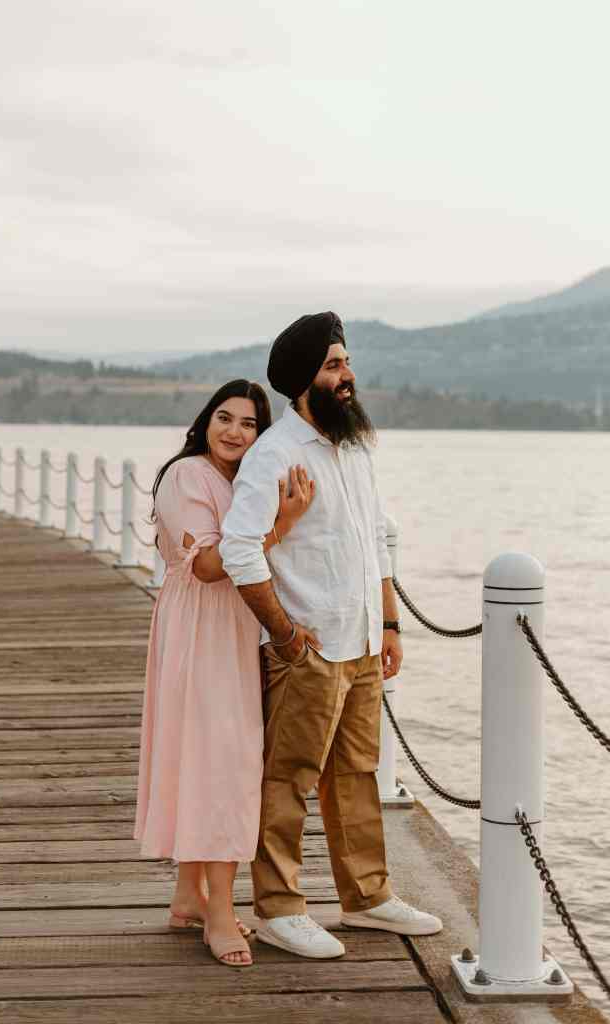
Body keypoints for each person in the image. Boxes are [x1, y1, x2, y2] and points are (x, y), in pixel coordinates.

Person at [219, 313, 443, 959]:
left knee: (356, 773)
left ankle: (366, 898)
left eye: (345, 362)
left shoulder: (355, 446)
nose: (347, 376)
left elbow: (378, 538)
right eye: (332, 366)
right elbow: (239, 549)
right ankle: (278, 908)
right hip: (308, 648)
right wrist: (284, 636)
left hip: (363, 641)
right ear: (302, 381)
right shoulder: (275, 454)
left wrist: (391, 623)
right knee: (287, 777)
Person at [134, 379, 315, 967]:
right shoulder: (188, 475)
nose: (235, 432)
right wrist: (281, 523)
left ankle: (188, 894)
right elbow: (212, 566)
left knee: (208, 756)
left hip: (227, 628)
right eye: (225, 418)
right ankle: (219, 913)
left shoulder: (239, 481)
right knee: (225, 762)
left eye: (249, 424)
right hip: (202, 627)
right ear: (205, 422)